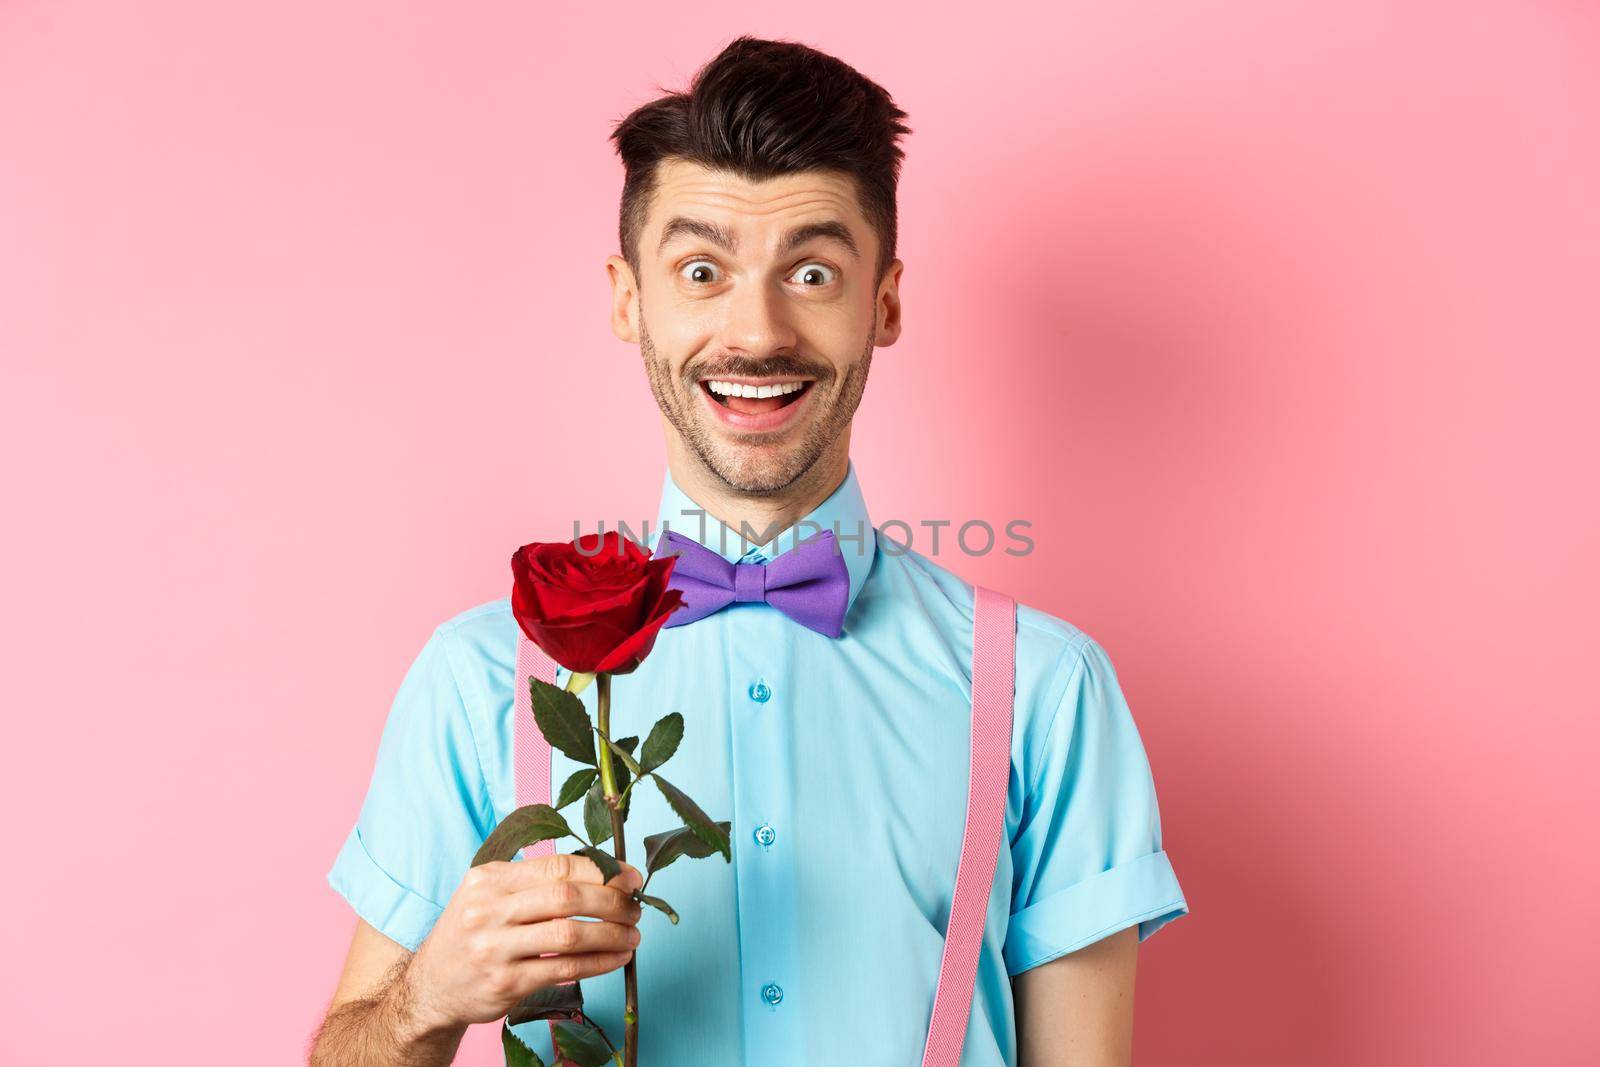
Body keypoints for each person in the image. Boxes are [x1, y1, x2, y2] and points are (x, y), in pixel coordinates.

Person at [310, 34, 1187, 1067]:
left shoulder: (1046, 688)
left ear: (885, 303)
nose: (756, 329)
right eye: (701, 269)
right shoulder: (479, 682)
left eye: (812, 271)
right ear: (630, 297)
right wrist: (427, 995)